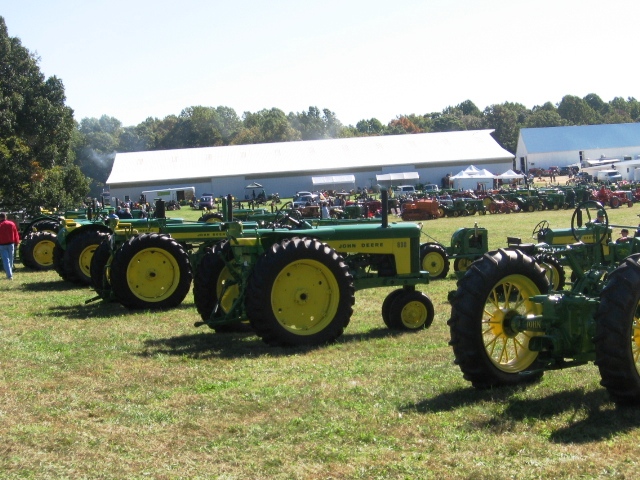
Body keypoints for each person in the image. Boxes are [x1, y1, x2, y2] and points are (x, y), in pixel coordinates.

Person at [0, 212, 21, 280]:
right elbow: (16, 234)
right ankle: (10, 272)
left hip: (2, 244)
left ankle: (9, 275)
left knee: (6, 260)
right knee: (11, 259)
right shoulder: (11, 224)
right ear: (5, 217)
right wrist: (17, 242)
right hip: (11, 244)